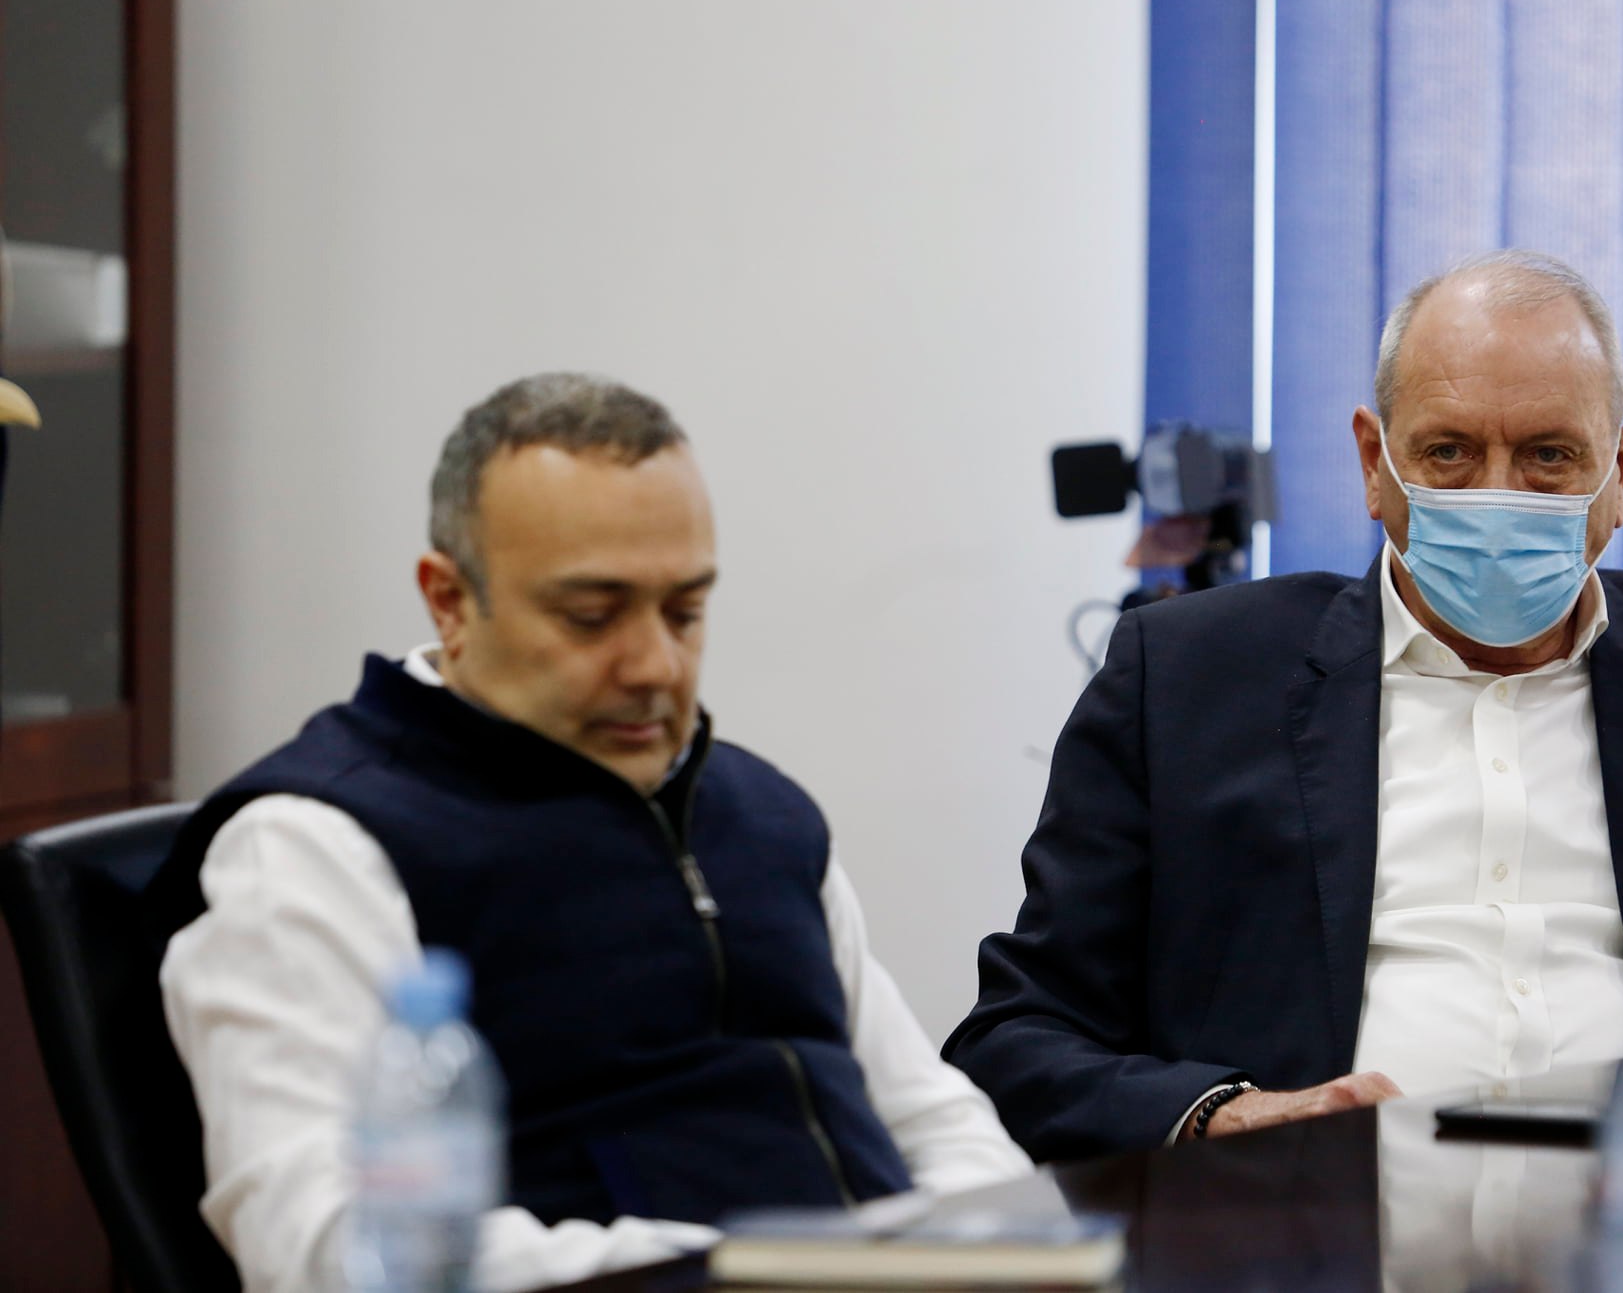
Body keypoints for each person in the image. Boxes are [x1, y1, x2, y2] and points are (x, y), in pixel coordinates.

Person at [943, 250, 1623, 1162]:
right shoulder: (1185, 680)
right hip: (1306, 1226)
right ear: (1374, 462)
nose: (1499, 497)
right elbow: (1018, 1039)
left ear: (1622, 469)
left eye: (1550, 455)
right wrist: (1224, 1116)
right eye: (1449, 452)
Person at [150, 374, 1029, 1293]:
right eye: (591, 617)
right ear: (449, 601)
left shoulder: (756, 811)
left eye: (685, 611)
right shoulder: (318, 848)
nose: (655, 665)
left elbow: (932, 1121)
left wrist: (983, 1254)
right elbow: (332, 1251)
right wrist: (766, 1273)